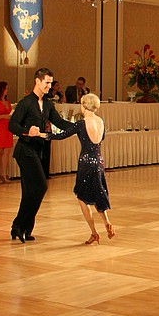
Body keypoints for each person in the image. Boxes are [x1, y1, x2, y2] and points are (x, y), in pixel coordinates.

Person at [8, 68, 72, 242]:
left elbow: (59, 122)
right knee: (40, 187)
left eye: (51, 83)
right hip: (25, 151)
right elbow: (12, 125)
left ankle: (23, 228)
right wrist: (27, 132)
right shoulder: (26, 103)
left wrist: (79, 126)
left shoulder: (49, 104)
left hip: (40, 151)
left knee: (31, 191)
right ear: (37, 81)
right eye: (47, 83)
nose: (49, 86)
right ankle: (19, 225)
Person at [49, 93, 114, 244]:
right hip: (99, 162)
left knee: (82, 197)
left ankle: (94, 232)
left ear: (84, 105)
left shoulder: (81, 123)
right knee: (99, 193)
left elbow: (61, 135)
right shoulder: (100, 121)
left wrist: (44, 135)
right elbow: (101, 138)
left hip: (85, 164)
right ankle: (107, 222)